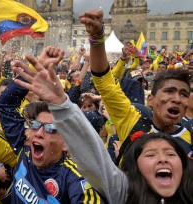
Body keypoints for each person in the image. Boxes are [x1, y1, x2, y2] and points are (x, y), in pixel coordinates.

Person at [10, 38, 193, 204]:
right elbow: (94, 158)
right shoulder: (125, 194)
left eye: (171, 154)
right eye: (150, 155)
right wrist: (61, 105)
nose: (162, 159)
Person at [76, 10, 192, 163]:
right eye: (169, 91)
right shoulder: (132, 120)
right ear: (150, 99)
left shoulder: (190, 134)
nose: (177, 99)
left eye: (184, 94)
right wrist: (97, 37)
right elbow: (105, 83)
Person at [0, 47, 105, 203]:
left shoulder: (75, 179)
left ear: (66, 144)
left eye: (51, 129)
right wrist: (37, 66)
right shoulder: (24, 150)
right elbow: (5, 104)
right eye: (35, 125)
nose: (39, 133)